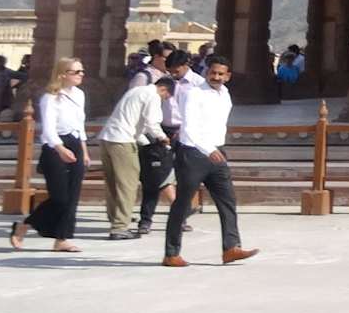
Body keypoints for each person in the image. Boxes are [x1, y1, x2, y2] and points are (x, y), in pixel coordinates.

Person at [163, 56, 257, 268]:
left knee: (227, 200)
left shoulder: (225, 94)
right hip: (193, 152)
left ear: (227, 76)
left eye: (221, 74)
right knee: (183, 203)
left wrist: (216, 149)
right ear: (207, 73)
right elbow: (189, 127)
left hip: (217, 151)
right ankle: (171, 253)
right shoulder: (194, 93)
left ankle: (231, 248)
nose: (216, 77)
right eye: (213, 73)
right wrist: (209, 149)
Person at [8, 57, 89, 254]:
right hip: (55, 146)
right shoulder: (50, 98)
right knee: (60, 197)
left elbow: (80, 125)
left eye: (81, 71)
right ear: (62, 75)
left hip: (75, 143)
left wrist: (84, 150)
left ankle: (62, 238)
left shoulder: (79, 95)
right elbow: (49, 129)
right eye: (75, 72)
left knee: (72, 197)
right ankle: (24, 225)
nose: (80, 75)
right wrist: (61, 149)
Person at [98, 72, 172, 239]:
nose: (164, 100)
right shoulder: (153, 95)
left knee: (112, 183)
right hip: (123, 141)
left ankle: (115, 218)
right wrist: (163, 138)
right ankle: (120, 227)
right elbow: (152, 123)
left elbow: (135, 123)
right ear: (163, 89)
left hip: (107, 138)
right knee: (128, 184)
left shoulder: (135, 91)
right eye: (166, 97)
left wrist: (145, 143)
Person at [139, 49, 192, 236]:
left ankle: (181, 218)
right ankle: (145, 220)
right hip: (162, 132)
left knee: (184, 178)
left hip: (185, 133)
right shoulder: (162, 83)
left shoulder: (198, 84)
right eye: (170, 71)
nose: (173, 74)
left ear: (186, 65)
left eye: (176, 71)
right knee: (154, 176)